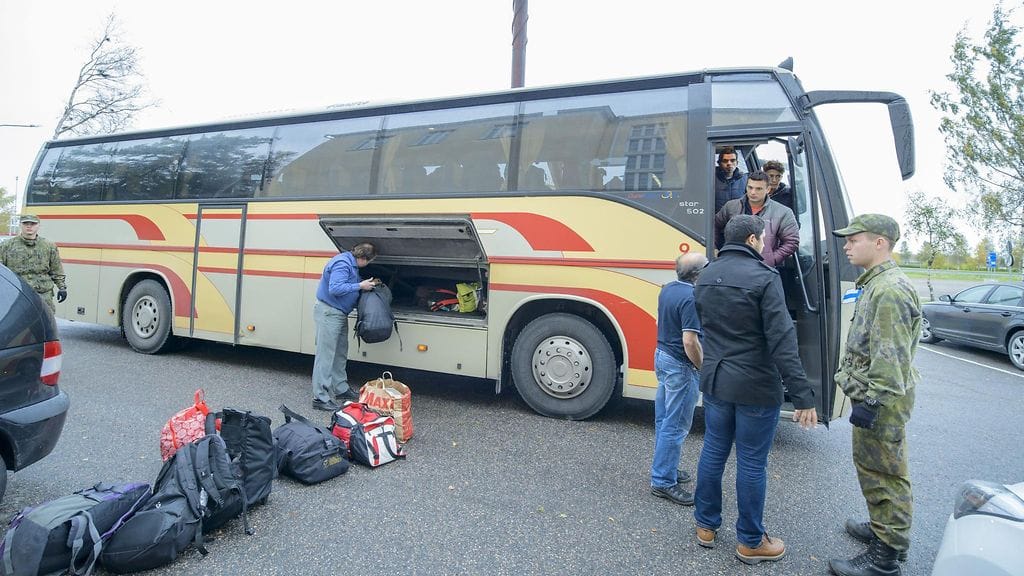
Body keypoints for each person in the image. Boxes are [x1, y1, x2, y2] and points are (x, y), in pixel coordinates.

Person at [692, 214, 817, 565]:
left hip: (716, 381)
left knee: (714, 451)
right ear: (751, 240)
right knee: (751, 461)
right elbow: (782, 340)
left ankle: (705, 525)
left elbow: (706, 328)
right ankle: (750, 541)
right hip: (755, 386)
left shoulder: (706, 276)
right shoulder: (764, 277)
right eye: (762, 238)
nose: (764, 244)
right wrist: (803, 396)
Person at [828, 214, 920, 576]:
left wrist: (872, 402)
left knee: (886, 473)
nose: (847, 245)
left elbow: (890, 356)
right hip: (874, 396)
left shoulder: (889, 290)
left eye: (855, 239)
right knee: (875, 468)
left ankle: (886, 557)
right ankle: (884, 529)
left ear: (879, 243)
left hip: (879, 400)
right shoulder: (879, 284)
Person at [650, 252, 708, 506]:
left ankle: (665, 468)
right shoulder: (692, 298)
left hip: (661, 356)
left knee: (664, 419)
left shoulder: (669, 289)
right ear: (698, 274)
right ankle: (663, 481)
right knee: (675, 426)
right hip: (680, 366)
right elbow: (690, 341)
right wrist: (702, 368)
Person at [311, 242, 378, 411]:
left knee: (340, 352)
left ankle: (340, 389)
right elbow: (335, 288)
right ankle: (320, 397)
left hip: (338, 314)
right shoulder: (343, 263)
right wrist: (360, 286)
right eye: (368, 262)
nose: (367, 265)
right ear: (363, 258)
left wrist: (362, 283)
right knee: (325, 356)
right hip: (329, 313)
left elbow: (345, 284)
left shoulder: (350, 264)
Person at [714, 171, 799, 267]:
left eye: (758, 189)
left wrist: (772, 260)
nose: (753, 192)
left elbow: (792, 241)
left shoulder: (783, 212)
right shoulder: (731, 206)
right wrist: (715, 249)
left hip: (763, 267)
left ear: (768, 189)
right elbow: (713, 226)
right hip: (731, 264)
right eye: (750, 187)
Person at [0, 214, 67, 314]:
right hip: (17, 294)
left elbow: (56, 269)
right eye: (26, 223)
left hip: (43, 294)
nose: (29, 226)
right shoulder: (6, 246)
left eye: (33, 224)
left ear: (38, 226)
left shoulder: (48, 246)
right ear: (20, 225)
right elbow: (2, 271)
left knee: (45, 322)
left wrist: (62, 287)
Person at [713, 146, 747, 213]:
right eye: (725, 161)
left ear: (737, 163)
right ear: (719, 163)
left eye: (732, 160)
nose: (729, 163)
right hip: (716, 220)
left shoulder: (745, 180)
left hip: (737, 221)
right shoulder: (710, 179)